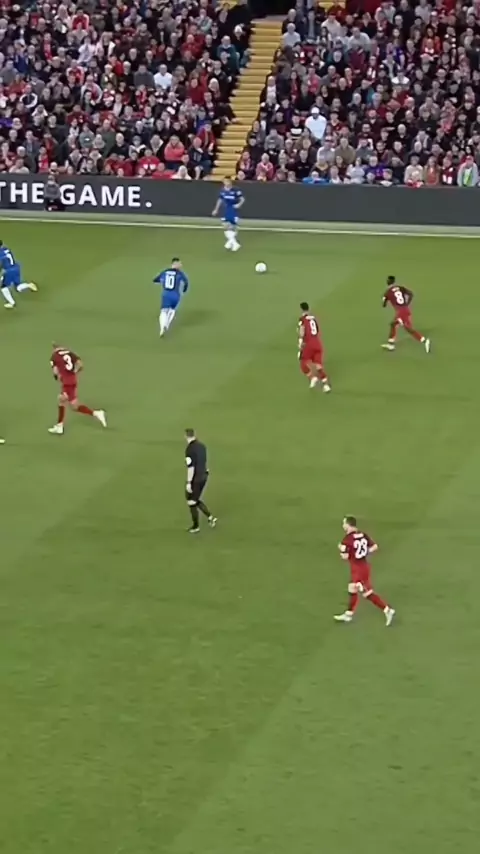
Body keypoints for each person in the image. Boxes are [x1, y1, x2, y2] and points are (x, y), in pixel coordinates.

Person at [334, 516, 395, 626]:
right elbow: (374, 547)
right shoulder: (362, 534)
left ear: (348, 525)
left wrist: (341, 549)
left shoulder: (347, 539)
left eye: (344, 523)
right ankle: (349, 614)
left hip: (358, 569)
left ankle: (387, 610)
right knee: (352, 588)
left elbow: (345, 557)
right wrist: (364, 553)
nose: (343, 526)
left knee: (367, 593)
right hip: (363, 566)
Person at [48, 344, 107, 435]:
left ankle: (59, 426)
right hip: (73, 380)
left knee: (61, 400)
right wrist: (74, 371)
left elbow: (55, 371)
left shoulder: (54, 356)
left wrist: (57, 377)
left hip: (66, 382)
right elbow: (80, 364)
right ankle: (97, 413)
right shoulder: (70, 353)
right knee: (74, 406)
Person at [382, 275, 430, 353]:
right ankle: (391, 344)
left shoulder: (387, 292)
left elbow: (383, 304)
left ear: (388, 282)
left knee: (408, 329)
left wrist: (385, 300)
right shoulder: (400, 288)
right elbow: (411, 294)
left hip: (401, 312)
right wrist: (407, 303)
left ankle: (424, 341)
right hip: (405, 310)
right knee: (393, 324)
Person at [184, 428, 217, 533]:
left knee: (191, 501)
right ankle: (210, 518)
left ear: (186, 436)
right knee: (195, 499)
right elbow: (203, 460)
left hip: (196, 479)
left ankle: (196, 526)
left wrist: (189, 482)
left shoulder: (189, 450)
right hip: (204, 476)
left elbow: (191, 467)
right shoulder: (202, 446)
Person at [297, 301, 331, 392]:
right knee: (318, 366)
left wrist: (300, 342)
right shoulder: (313, 318)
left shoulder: (302, 319)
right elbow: (317, 330)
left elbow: (302, 330)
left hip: (309, 344)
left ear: (301, 309)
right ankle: (326, 385)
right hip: (318, 343)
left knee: (302, 363)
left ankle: (312, 378)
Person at [153, 258, 189, 337]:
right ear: (175, 264)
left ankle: (162, 328)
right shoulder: (180, 273)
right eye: (179, 263)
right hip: (176, 295)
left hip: (166, 294)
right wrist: (184, 290)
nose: (181, 265)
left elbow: (155, 280)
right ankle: (167, 325)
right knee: (172, 310)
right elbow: (186, 282)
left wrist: (161, 281)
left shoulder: (165, 271)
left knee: (163, 311)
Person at [0, 241, 37, 308]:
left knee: (3, 287)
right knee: (17, 287)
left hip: (9, 271)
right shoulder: (6, 249)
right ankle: (29, 285)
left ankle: (12, 303)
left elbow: (1, 264)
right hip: (16, 267)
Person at [211, 177, 244, 251]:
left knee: (232, 227)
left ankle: (232, 243)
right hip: (226, 210)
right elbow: (220, 200)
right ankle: (233, 243)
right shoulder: (222, 190)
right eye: (224, 181)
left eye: (227, 181)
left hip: (233, 210)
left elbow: (242, 199)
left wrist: (238, 204)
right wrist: (216, 209)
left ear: (230, 182)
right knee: (225, 226)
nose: (226, 183)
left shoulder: (236, 190)